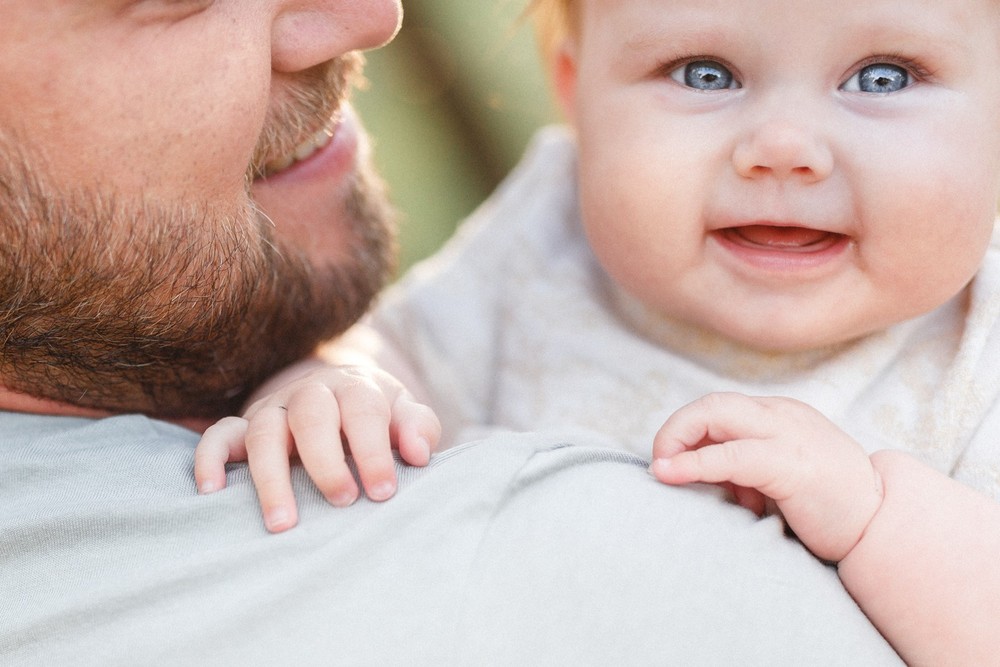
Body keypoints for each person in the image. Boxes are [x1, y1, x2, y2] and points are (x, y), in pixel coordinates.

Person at [0, 1, 906, 664]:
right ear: (574, 92)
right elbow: (407, 360)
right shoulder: (546, 249)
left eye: (887, 76)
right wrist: (320, 386)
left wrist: (882, 522)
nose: (372, 17)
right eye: (703, 74)